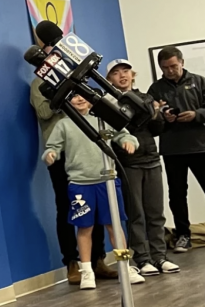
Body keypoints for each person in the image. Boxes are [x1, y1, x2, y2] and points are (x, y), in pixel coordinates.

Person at [42, 94, 141, 290]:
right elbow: (52, 147)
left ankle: (124, 266)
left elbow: (124, 134)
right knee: (84, 227)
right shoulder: (64, 125)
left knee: (114, 226)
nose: (79, 99)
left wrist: (128, 141)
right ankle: (86, 271)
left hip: (108, 181)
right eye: (74, 97)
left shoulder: (102, 121)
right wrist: (50, 154)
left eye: (83, 96)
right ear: (67, 101)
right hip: (80, 184)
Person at [31, 78, 116, 284]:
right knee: (67, 207)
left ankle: (97, 259)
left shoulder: (80, 78)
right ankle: (72, 262)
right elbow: (43, 112)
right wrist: (63, 96)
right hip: (61, 153)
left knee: (97, 207)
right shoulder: (39, 83)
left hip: (89, 153)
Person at [105, 59, 179, 275]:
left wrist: (158, 115)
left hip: (152, 160)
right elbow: (118, 132)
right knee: (136, 213)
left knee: (156, 212)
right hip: (129, 164)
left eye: (126, 71)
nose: (122, 76)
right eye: (116, 73)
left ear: (132, 74)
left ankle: (160, 257)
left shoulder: (146, 97)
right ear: (110, 78)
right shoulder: (109, 102)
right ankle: (142, 259)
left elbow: (156, 129)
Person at [148, 47, 205, 253]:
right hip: (172, 149)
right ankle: (183, 235)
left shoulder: (199, 81)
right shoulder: (155, 89)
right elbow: (152, 120)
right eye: (165, 68)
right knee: (178, 195)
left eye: (174, 66)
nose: (170, 71)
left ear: (182, 62)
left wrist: (196, 114)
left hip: (200, 146)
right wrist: (164, 117)